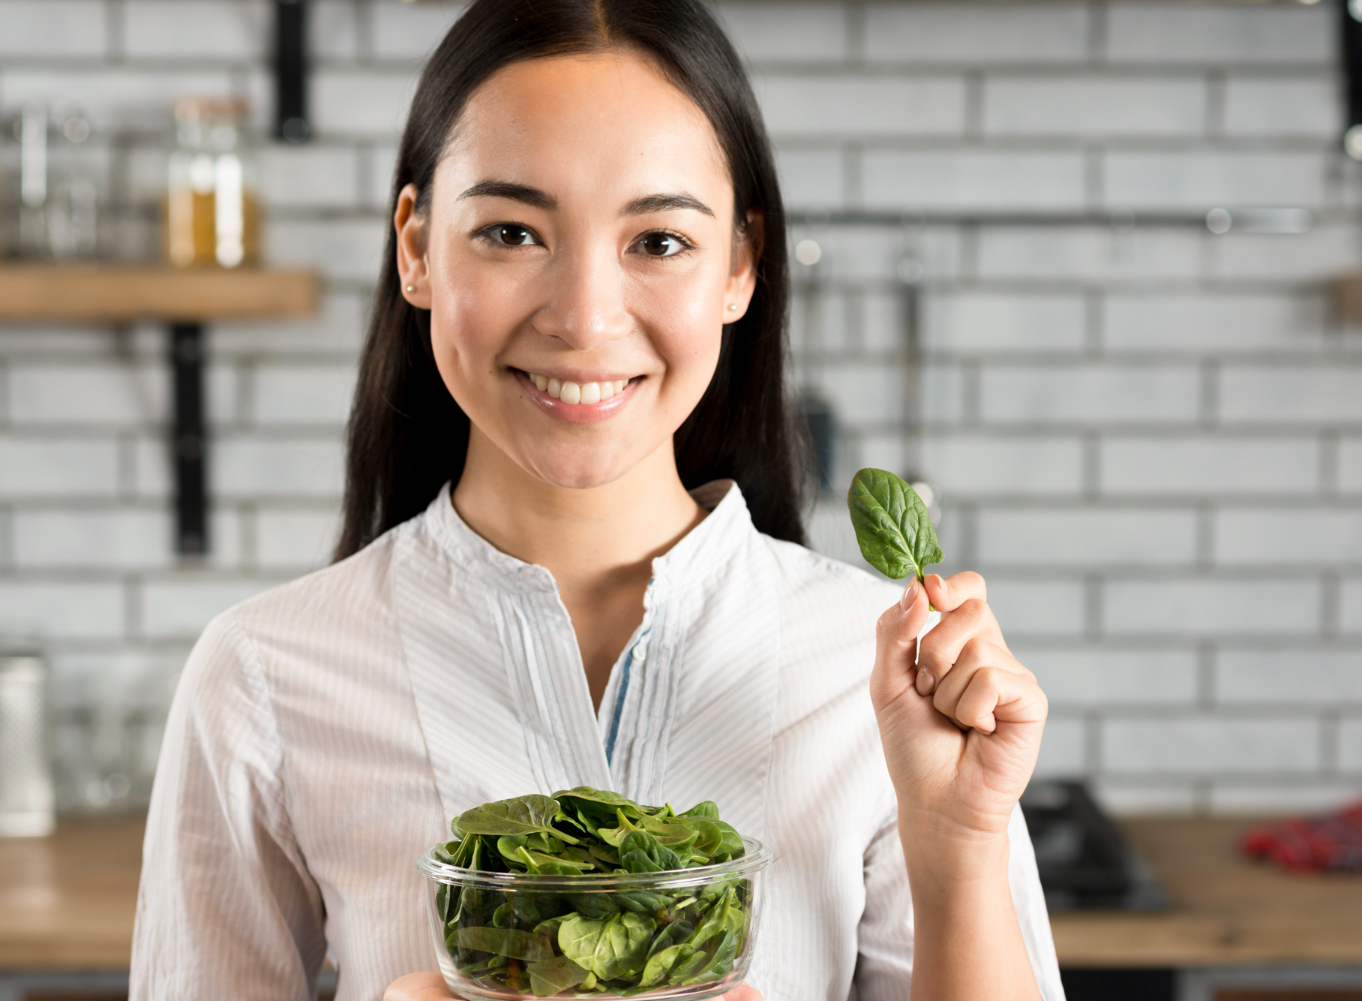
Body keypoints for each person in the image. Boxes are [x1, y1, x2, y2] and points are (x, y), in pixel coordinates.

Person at [130, 1, 1062, 999]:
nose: (583, 317)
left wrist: (957, 839)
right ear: (415, 249)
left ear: (741, 264)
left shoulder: (876, 674)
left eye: (657, 241)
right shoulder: (264, 676)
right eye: (510, 231)